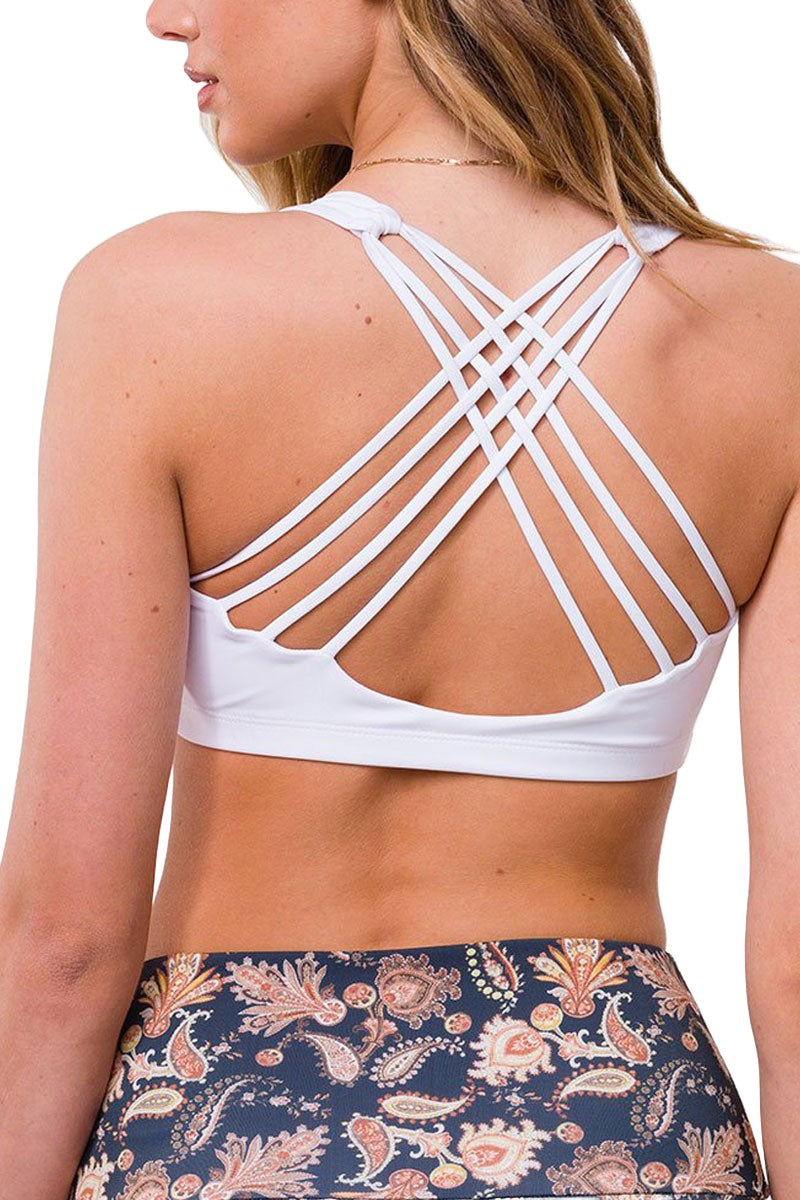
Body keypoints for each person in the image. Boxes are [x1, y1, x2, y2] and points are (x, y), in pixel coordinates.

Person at [0, 0, 797, 1196]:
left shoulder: (156, 302)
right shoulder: (772, 335)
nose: (165, 17)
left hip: (224, 1120)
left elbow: (64, 937)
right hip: (616, 1120)